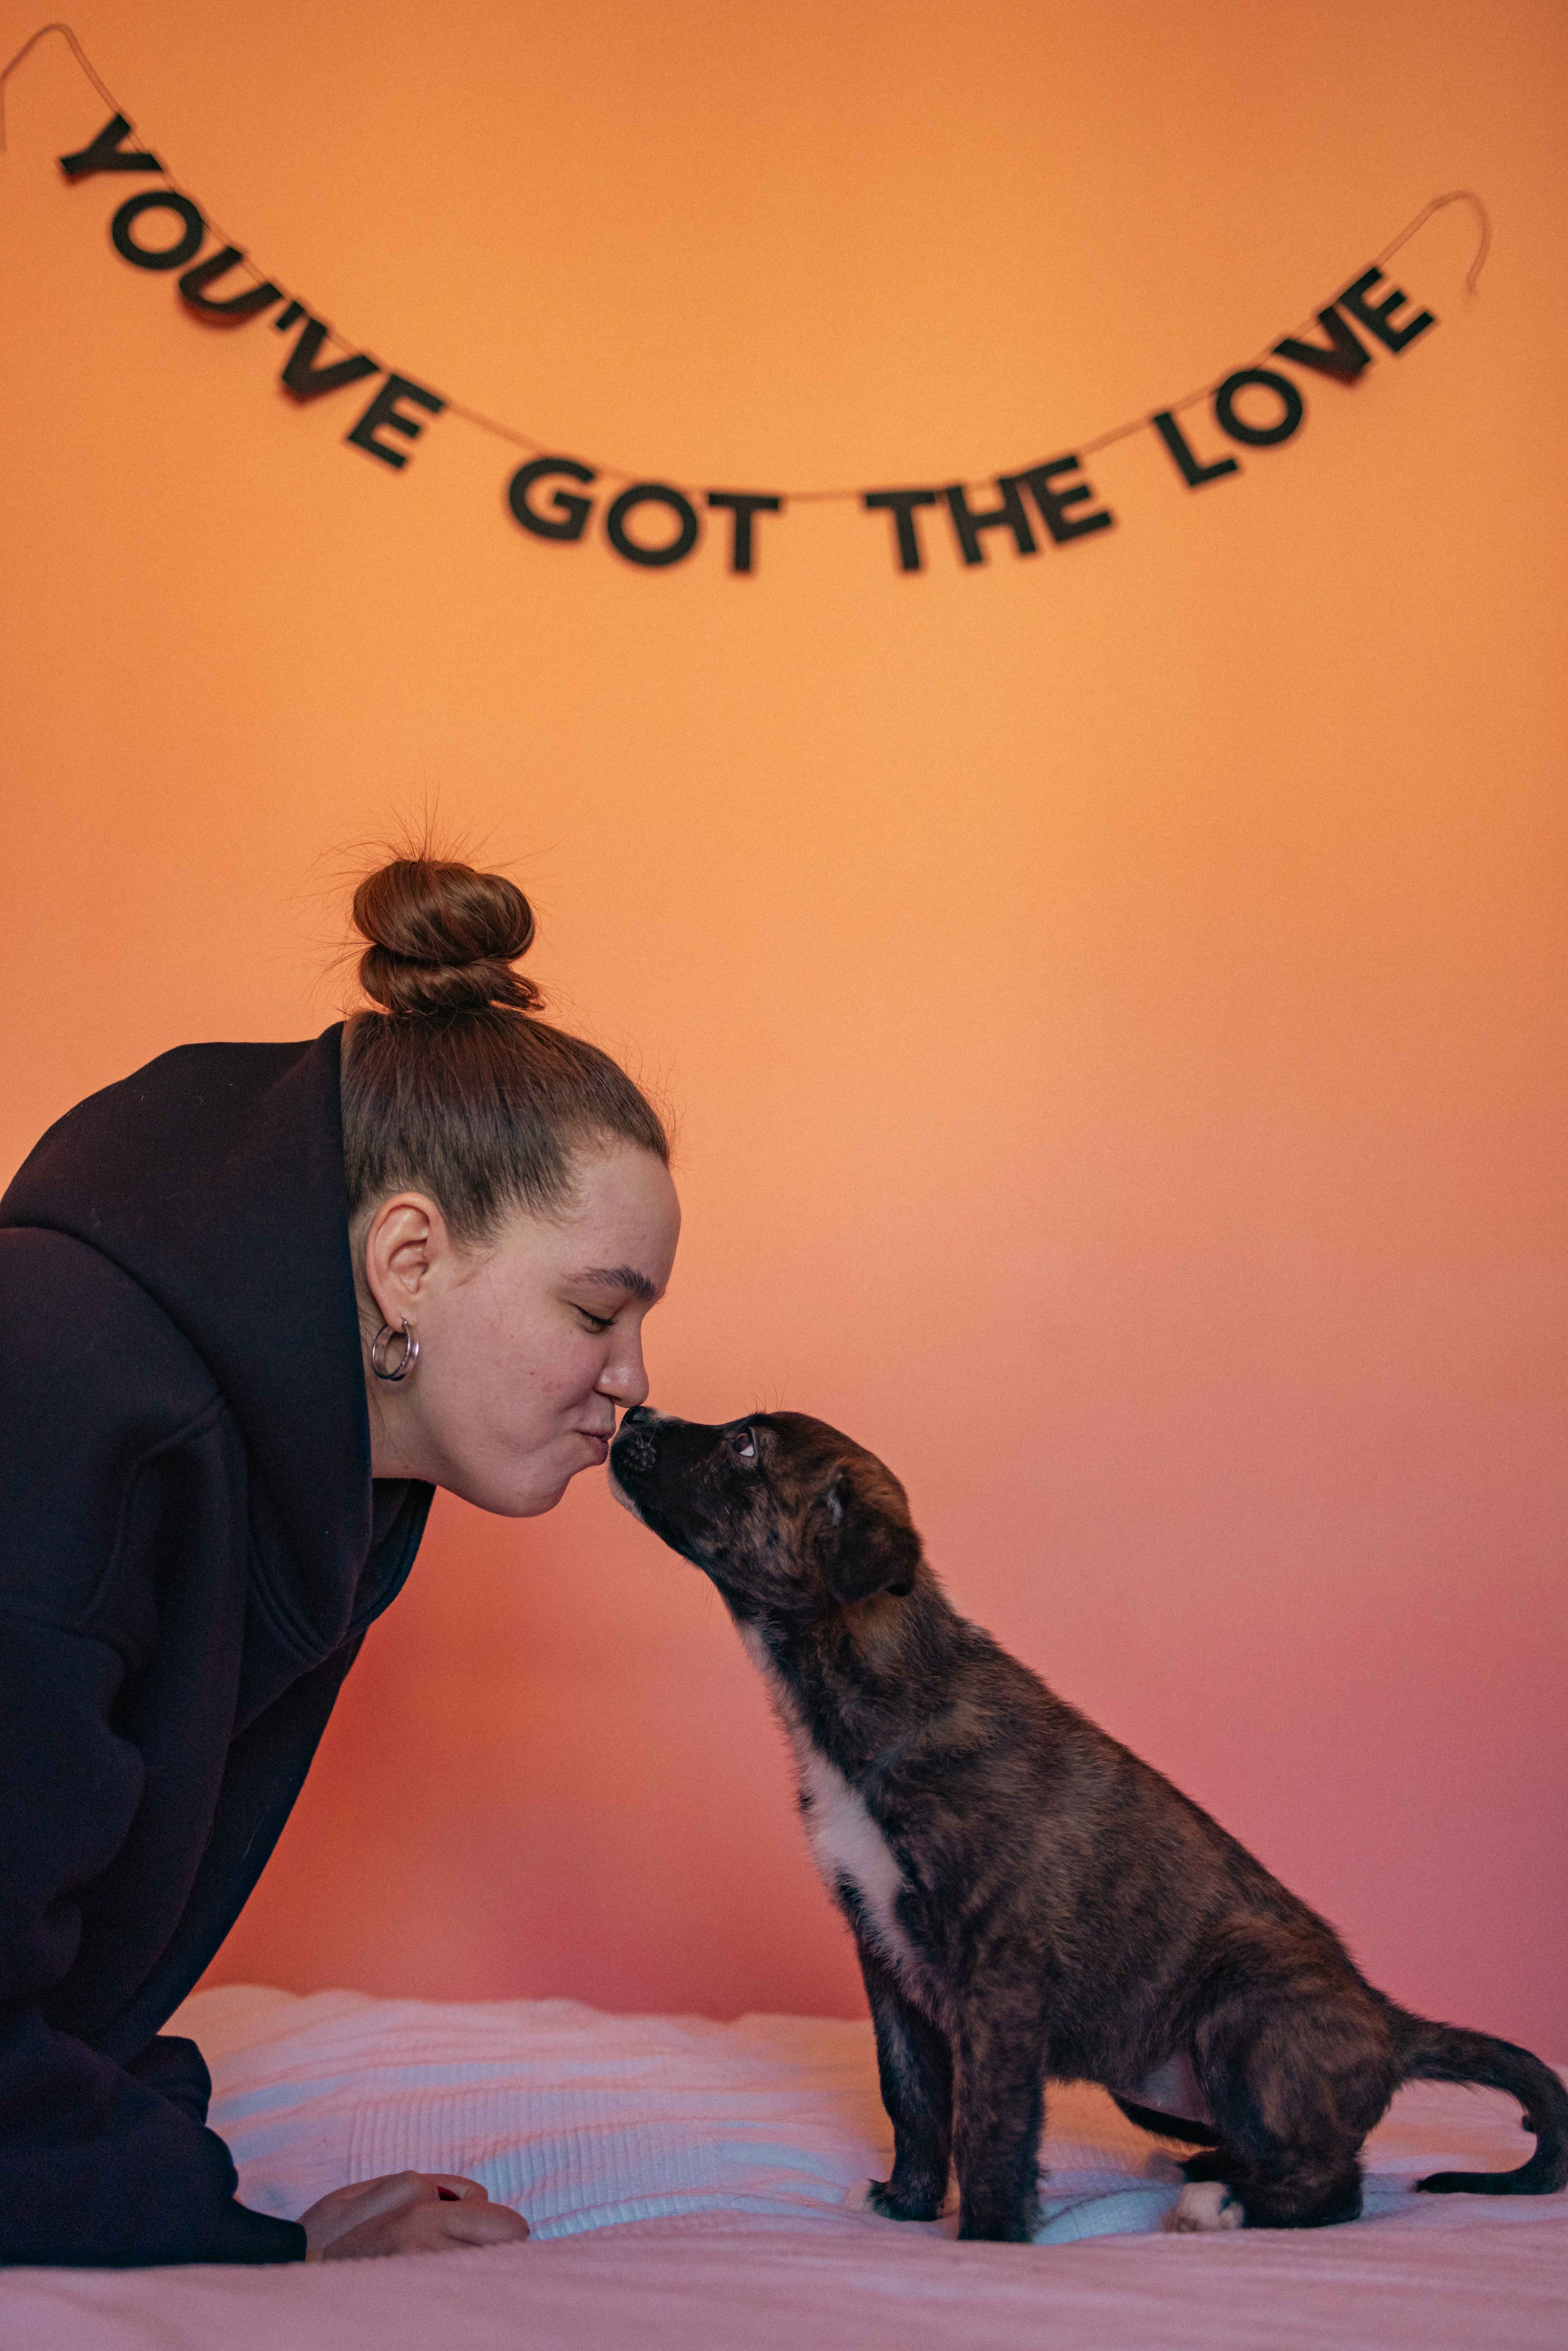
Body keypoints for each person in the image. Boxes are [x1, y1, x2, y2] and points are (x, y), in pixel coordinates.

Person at [0, 851, 680, 2266]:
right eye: (594, 1312)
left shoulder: (321, 1485)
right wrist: (249, 2246)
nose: (629, 1380)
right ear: (410, 1259)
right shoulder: (67, 1404)